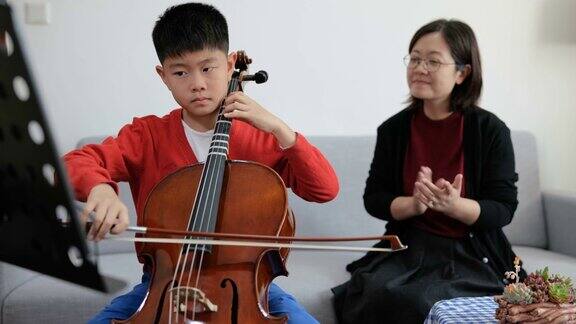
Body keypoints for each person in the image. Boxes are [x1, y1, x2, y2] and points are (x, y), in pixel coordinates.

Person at [63, 3, 339, 323]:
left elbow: (324, 189)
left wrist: (280, 129)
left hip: (250, 286)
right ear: (163, 76)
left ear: (230, 63)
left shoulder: (262, 138)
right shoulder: (148, 134)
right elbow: (75, 161)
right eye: (180, 72)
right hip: (163, 285)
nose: (197, 83)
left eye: (208, 68)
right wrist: (101, 189)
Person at [332, 19, 525, 324]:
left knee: (429, 302)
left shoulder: (490, 130)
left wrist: (454, 206)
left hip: (471, 253)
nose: (419, 68)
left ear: (462, 72)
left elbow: (503, 208)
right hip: (411, 245)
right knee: (375, 294)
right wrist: (414, 204)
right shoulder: (393, 129)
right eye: (415, 58)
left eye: (433, 61)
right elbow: (375, 198)